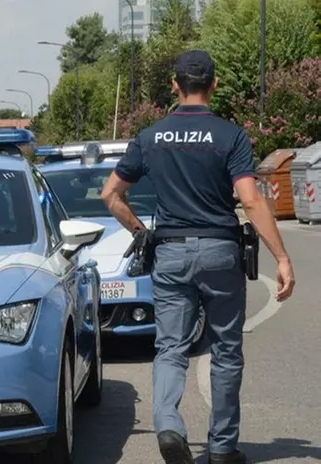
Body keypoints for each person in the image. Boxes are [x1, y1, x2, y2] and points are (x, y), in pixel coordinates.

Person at [100, 50, 295, 464]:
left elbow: (111, 194)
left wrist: (141, 233)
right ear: (214, 84)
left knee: (170, 347)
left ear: (175, 85)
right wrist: (282, 257)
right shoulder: (230, 136)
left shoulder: (150, 136)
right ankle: (223, 448)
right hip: (221, 253)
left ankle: (169, 423)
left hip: (170, 252)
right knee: (225, 350)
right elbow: (250, 199)